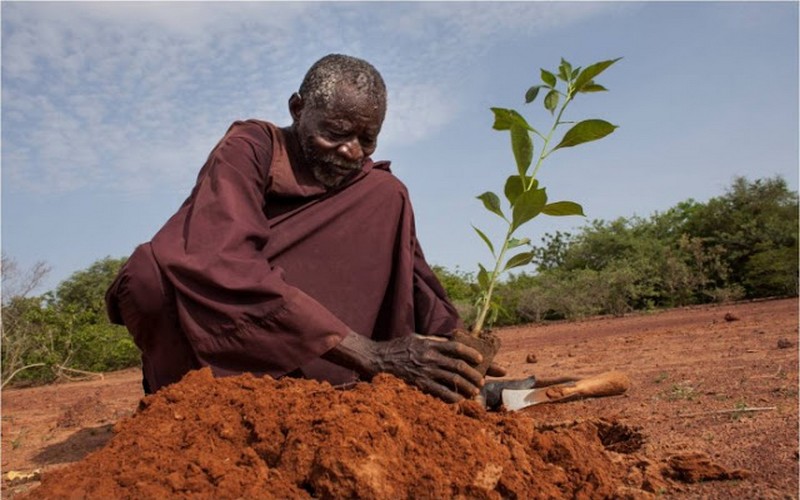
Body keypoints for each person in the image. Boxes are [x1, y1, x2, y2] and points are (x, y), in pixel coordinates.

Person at [105, 53, 504, 404]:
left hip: (312, 352)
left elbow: (414, 275)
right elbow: (220, 259)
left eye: (367, 139)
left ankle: (337, 388)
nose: (351, 151)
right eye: (334, 133)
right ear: (297, 109)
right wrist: (371, 354)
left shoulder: (373, 191)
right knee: (149, 274)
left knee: (387, 193)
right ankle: (185, 395)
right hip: (217, 341)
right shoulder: (250, 149)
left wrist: (459, 358)